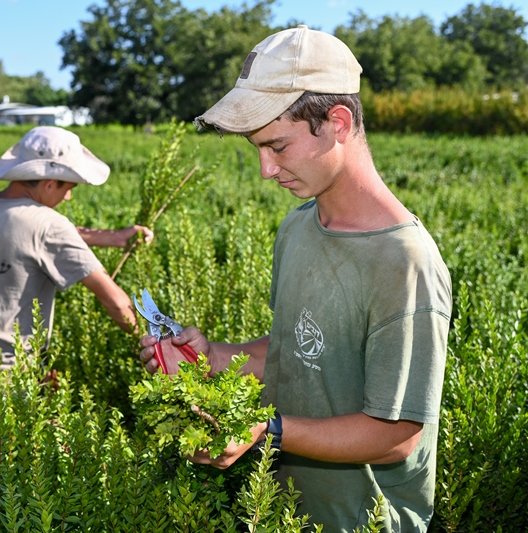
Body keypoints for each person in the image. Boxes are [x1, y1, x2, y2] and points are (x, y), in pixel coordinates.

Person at [139, 25, 451, 532]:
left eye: (277, 146)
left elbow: (397, 435)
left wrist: (267, 431)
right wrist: (214, 355)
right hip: (286, 510)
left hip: (363, 520)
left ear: (338, 122)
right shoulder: (299, 226)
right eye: (256, 148)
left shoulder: (405, 262)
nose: (265, 169)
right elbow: (301, 348)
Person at [0, 125, 152, 381]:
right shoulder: (48, 226)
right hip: (12, 387)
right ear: (48, 184)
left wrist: (112, 237)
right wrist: (148, 343)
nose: (68, 197)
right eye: (68, 188)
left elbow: (30, 238)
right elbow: (116, 302)